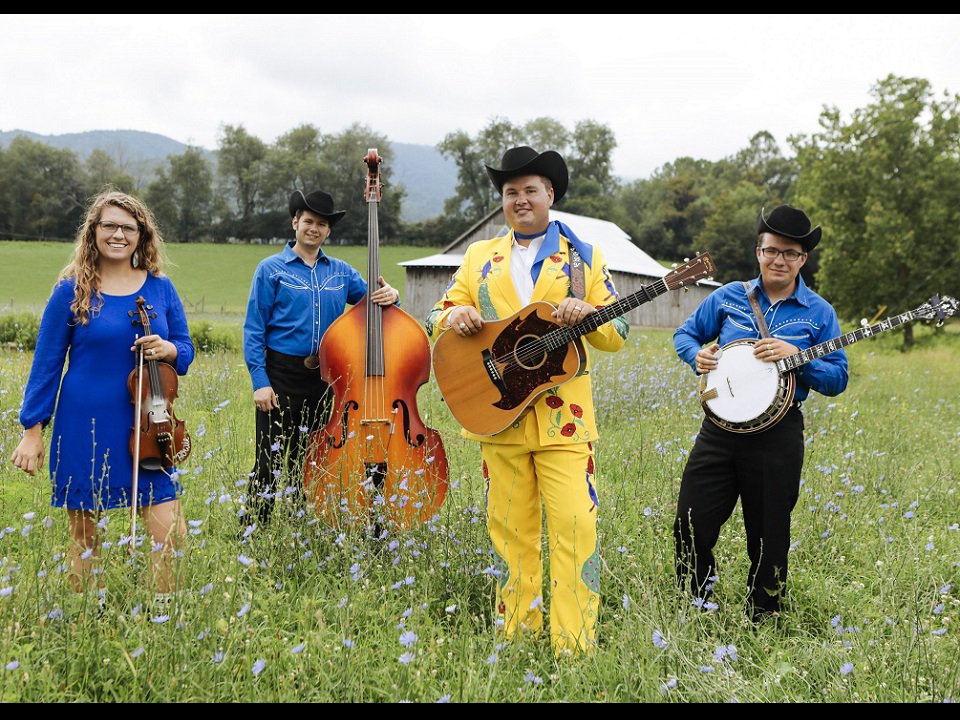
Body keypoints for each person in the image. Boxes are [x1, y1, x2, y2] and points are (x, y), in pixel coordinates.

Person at [425, 147, 628, 655]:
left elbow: (618, 330)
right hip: (498, 417)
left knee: (576, 529)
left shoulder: (585, 259)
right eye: (510, 192)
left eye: (529, 190)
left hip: (565, 422)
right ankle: (517, 635)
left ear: (550, 195)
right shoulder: (478, 257)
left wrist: (590, 316)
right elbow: (438, 311)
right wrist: (454, 320)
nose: (519, 200)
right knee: (510, 531)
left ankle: (573, 644)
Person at [11, 190, 194, 609]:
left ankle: (162, 619)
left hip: (148, 427)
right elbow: (47, 364)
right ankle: (87, 618)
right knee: (84, 537)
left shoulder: (161, 289)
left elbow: (185, 349)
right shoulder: (70, 291)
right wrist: (32, 429)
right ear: (93, 232)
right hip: (84, 425)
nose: (118, 234)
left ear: (141, 235)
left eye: (128, 227)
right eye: (109, 225)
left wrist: (169, 350)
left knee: (172, 532)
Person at [673, 204, 849, 619]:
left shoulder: (819, 312)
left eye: (790, 253)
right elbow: (686, 334)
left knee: (770, 531)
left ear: (803, 259)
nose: (779, 260)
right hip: (718, 431)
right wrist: (695, 355)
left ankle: (764, 613)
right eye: (772, 250)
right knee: (690, 520)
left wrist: (799, 357)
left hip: (778, 435)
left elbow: (838, 379)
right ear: (758, 252)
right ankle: (697, 604)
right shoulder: (729, 296)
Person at [242, 189, 399, 531]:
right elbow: (254, 329)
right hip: (280, 373)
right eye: (308, 221)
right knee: (269, 459)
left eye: (322, 224)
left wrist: (393, 295)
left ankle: (299, 529)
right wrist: (260, 382)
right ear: (295, 223)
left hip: (325, 378)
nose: (314, 229)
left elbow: (374, 303)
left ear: (329, 231)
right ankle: (253, 531)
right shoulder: (270, 270)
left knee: (309, 458)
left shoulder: (342, 273)